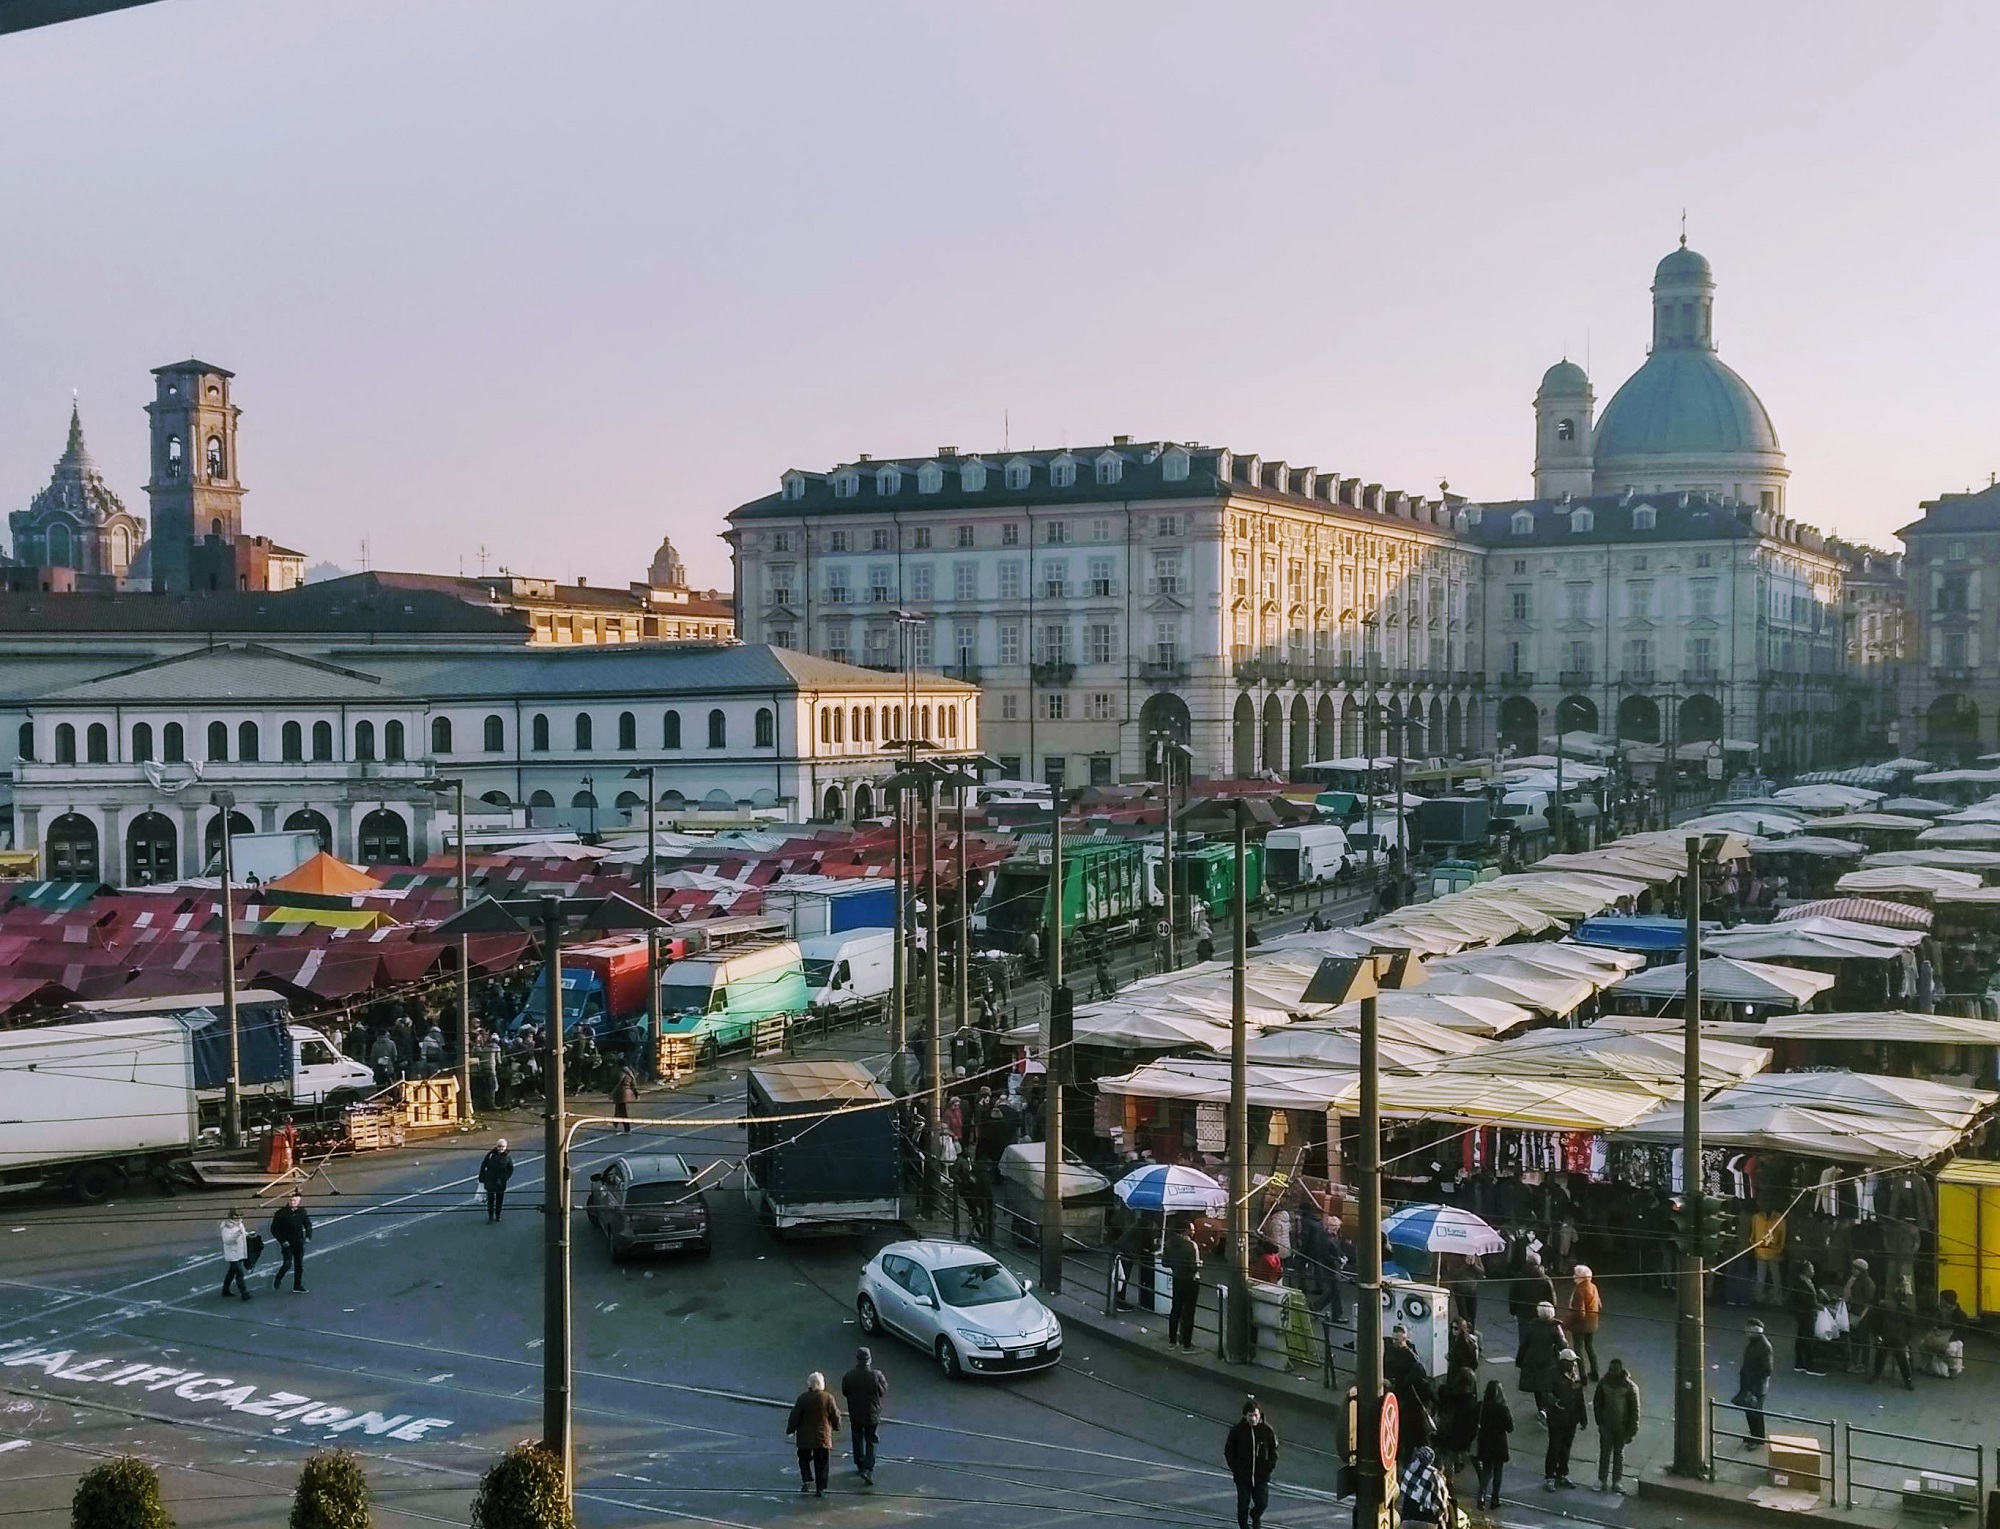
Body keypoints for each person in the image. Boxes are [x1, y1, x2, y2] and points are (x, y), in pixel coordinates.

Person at [1223, 1397, 1279, 1529]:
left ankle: (1255, 1516)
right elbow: (1229, 1451)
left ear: (1260, 1415)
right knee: (1243, 1504)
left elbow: (1273, 1450)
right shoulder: (1237, 1431)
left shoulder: (1267, 1431)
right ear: (1245, 1416)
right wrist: (1236, 1468)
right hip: (1243, 1477)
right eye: (1250, 1416)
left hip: (1261, 1477)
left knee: (1262, 1503)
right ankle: (1244, 1526)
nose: (1253, 1419)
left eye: (1255, 1415)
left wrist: (1268, 1467)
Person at [785, 1371, 842, 1497]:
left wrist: (790, 1429)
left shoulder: (803, 1398)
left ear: (809, 1384)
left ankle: (807, 1478)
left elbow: (795, 1416)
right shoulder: (828, 1398)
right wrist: (837, 1426)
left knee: (803, 1458)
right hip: (822, 1437)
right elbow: (835, 1414)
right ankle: (820, 1488)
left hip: (805, 1437)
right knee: (822, 1462)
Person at [840, 1347, 888, 1485]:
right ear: (869, 1360)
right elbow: (882, 1391)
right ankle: (868, 1468)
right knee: (871, 1439)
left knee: (857, 1437)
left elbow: (845, 1391)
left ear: (857, 1360)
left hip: (855, 1413)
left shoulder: (849, 1376)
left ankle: (859, 1464)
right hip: (872, 1414)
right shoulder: (877, 1375)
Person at [1591, 1358, 1640, 1494]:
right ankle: (1603, 1480)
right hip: (1607, 1425)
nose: (1611, 1372)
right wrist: (1600, 1422)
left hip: (1621, 1427)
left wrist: (1631, 1431)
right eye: (1610, 1369)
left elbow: (1634, 1411)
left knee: (1618, 1454)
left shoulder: (1629, 1387)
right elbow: (1597, 1404)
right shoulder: (1604, 1383)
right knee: (1605, 1453)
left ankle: (1616, 1481)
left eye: (1614, 1370)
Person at [1542, 1350, 1586, 1490]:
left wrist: (1583, 1417)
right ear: (1563, 1362)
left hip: (1571, 1418)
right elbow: (1545, 1392)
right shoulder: (1552, 1373)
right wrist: (1554, 1401)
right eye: (1571, 1361)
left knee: (1566, 1447)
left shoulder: (1575, 1374)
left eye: (1574, 1361)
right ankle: (1550, 1476)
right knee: (1554, 1447)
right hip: (1557, 1418)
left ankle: (1562, 1474)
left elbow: (1580, 1396)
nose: (1573, 1363)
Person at [1517, 1300, 1566, 1423]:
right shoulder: (1554, 1328)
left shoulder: (1531, 1326)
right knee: (1548, 1385)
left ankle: (1541, 1409)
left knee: (1537, 1386)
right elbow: (1563, 1346)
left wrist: (1520, 1360)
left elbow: (1524, 1345)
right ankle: (1550, 1407)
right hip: (1549, 1360)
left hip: (1532, 1360)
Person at [1435, 1365, 1480, 1480]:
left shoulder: (1448, 1392)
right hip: (1460, 1432)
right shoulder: (1470, 1401)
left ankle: (1450, 1480)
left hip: (1447, 1429)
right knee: (1454, 1452)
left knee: (1447, 1456)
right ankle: (1455, 1470)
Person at [1474, 1379, 1513, 1510]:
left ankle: (1481, 1496)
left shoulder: (1481, 1406)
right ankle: (1495, 1499)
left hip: (1485, 1442)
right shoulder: (1502, 1409)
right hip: (1499, 1444)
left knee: (1486, 1471)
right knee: (1498, 1472)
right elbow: (1510, 1428)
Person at [1164, 1216, 1202, 1351]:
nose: (1194, 1231)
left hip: (1177, 1278)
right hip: (1191, 1280)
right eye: (1192, 1229)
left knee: (1176, 1309)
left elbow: (1165, 1262)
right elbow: (1195, 1267)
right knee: (1189, 1312)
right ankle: (1187, 1343)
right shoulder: (1191, 1245)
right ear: (1186, 1230)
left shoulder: (1169, 1242)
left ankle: (1172, 1340)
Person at [1509, 1254, 1556, 1362]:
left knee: (1524, 1339)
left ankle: (1524, 1360)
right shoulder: (1545, 1279)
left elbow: (1512, 1296)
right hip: (1541, 1314)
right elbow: (1552, 1298)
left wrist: (1513, 1311)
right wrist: (1552, 1313)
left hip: (1523, 1314)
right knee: (1540, 1338)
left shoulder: (1519, 1278)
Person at [1737, 1319, 1774, 1449]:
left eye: (1749, 1330)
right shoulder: (1754, 1343)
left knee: (1755, 1411)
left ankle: (1758, 1438)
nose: (1747, 1332)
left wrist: (1753, 1379)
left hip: (1757, 1386)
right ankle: (1754, 1435)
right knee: (1750, 1410)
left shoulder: (1763, 1346)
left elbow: (1767, 1369)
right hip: (1750, 1383)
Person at [1399, 1444, 1452, 1529]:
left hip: (1407, 1519)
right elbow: (1440, 1498)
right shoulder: (1434, 1475)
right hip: (1428, 1521)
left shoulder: (1408, 1471)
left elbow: (1402, 1491)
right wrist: (1445, 1513)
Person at [1870, 1293, 1915, 1391]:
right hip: (1898, 1339)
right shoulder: (1907, 1311)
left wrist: (1877, 1336)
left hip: (1888, 1337)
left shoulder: (1883, 1309)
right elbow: (1911, 1327)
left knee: (1882, 1354)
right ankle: (1907, 1380)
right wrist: (1907, 1340)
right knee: (1901, 1358)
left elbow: (1875, 1323)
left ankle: (1877, 1375)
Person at [270, 1192, 311, 1293]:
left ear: (298, 1202)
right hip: (287, 1243)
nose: (292, 1202)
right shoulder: (281, 1213)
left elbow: (308, 1225)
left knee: (299, 1265)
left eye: (295, 1200)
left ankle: (297, 1285)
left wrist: (308, 1236)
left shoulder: (302, 1212)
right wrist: (282, 1241)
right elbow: (274, 1229)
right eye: (291, 1200)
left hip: (299, 1242)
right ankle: (278, 1278)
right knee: (287, 1263)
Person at [1567, 1265, 1602, 1382]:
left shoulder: (1579, 1290)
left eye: (1575, 1275)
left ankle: (1582, 1376)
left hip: (1580, 1326)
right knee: (1590, 1347)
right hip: (1592, 1324)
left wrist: (1567, 1322)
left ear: (1581, 1277)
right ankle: (1595, 1371)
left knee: (1578, 1349)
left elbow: (1579, 1312)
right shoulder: (1593, 1287)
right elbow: (1599, 1305)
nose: (1573, 1277)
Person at [1789, 1259, 1822, 1375]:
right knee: (1808, 1338)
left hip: (1803, 1313)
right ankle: (1809, 1364)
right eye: (1811, 1269)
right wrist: (1818, 1306)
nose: (1813, 1271)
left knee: (1802, 1337)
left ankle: (1799, 1362)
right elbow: (1806, 1300)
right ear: (1805, 1271)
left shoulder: (1804, 1280)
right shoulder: (1802, 1283)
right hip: (1806, 1313)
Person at [1844, 1259, 1877, 1375]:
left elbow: (1868, 1302)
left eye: (1855, 1268)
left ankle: (1863, 1364)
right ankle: (1855, 1362)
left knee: (1863, 1339)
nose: (1853, 1270)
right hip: (1854, 1312)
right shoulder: (1855, 1280)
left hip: (1863, 1315)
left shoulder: (1868, 1283)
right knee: (1855, 1339)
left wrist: (1860, 1317)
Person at [1751, 1206, 1788, 1307]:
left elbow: (1783, 1237)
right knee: (1761, 1278)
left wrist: (1779, 1250)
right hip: (1760, 1252)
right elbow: (1752, 1235)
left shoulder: (1780, 1219)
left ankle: (1777, 1298)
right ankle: (1759, 1298)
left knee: (1775, 1278)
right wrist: (1756, 1248)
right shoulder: (1756, 1217)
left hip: (1774, 1253)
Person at [219, 1208, 253, 1302]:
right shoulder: (226, 1227)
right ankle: (244, 1293)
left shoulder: (240, 1224)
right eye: (236, 1215)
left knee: (232, 1272)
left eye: (240, 1215)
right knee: (239, 1273)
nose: (238, 1217)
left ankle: (225, 1289)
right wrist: (237, 1234)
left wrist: (247, 1234)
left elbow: (242, 1233)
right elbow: (227, 1240)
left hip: (240, 1252)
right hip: (233, 1254)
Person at [479, 1138, 515, 1222]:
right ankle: (490, 1216)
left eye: (502, 1146)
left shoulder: (508, 1156)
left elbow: (510, 1168)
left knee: (499, 1200)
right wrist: (482, 1178)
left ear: (506, 1147)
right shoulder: (490, 1154)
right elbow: (483, 1165)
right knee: (490, 1200)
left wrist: (505, 1178)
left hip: (500, 1182)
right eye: (499, 1146)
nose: (501, 1148)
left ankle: (498, 1215)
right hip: (490, 1180)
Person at [610, 1063, 638, 1134]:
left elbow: (617, 1084)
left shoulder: (621, 1074)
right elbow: (633, 1086)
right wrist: (636, 1094)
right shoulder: (630, 1075)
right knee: (619, 1109)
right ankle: (615, 1123)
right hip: (627, 1093)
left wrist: (612, 1093)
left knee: (622, 1110)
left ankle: (626, 1127)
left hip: (621, 1093)